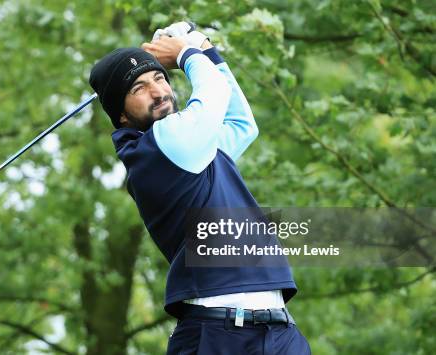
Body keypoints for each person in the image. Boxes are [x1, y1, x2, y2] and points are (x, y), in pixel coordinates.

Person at [89, 21, 311, 354]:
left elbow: (240, 124)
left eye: (160, 78)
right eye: (138, 89)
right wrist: (186, 52)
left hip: (279, 332)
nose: (159, 92)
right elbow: (215, 93)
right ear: (121, 116)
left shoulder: (193, 146)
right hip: (216, 335)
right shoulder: (162, 145)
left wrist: (203, 47)